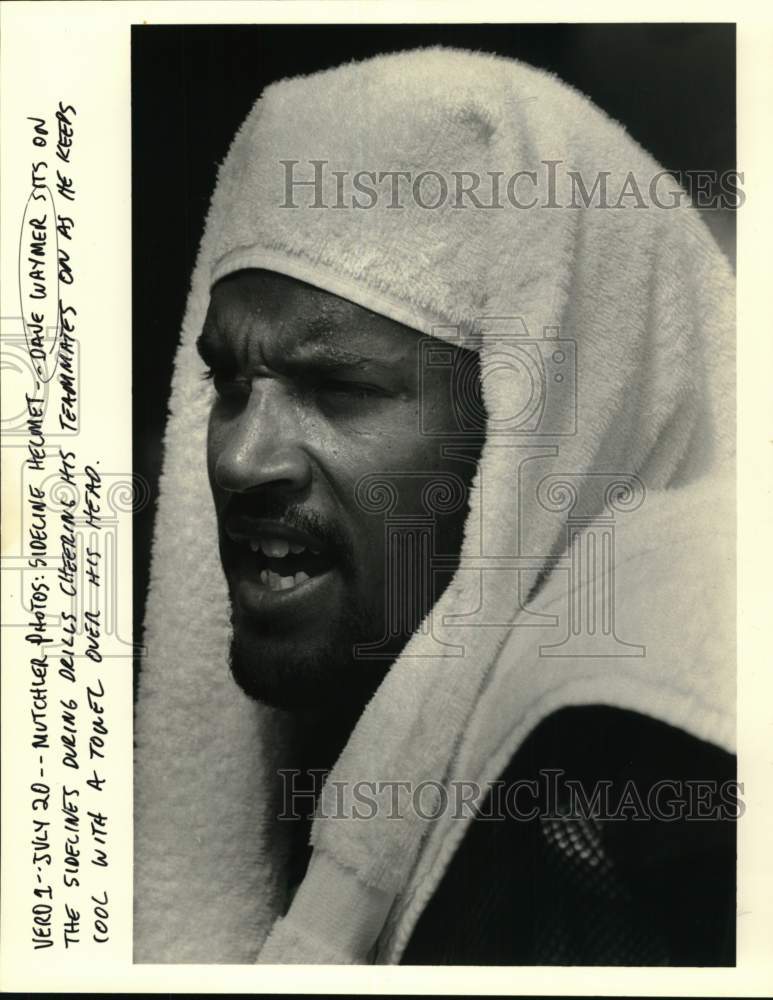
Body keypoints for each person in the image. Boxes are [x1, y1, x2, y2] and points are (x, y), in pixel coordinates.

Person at [134, 47, 736, 965]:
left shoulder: (623, 792)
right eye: (226, 380)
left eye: (334, 385)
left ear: (539, 439)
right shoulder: (346, 706)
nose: (239, 458)